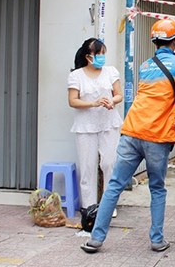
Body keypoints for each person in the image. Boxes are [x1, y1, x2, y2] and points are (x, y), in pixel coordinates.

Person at [81, 20, 175, 253]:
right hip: (156, 136)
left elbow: (161, 96)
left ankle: (95, 239)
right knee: (157, 188)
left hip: (131, 131)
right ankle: (157, 240)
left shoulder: (145, 66)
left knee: (114, 186)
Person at [68, 38, 122, 217]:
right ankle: (89, 207)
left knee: (109, 163)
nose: (101, 57)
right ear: (88, 56)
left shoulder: (110, 72)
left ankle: (108, 205)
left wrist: (110, 101)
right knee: (87, 167)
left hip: (109, 122)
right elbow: (73, 101)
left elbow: (119, 95)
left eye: (103, 53)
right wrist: (93, 103)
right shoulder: (76, 75)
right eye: (97, 54)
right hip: (86, 125)